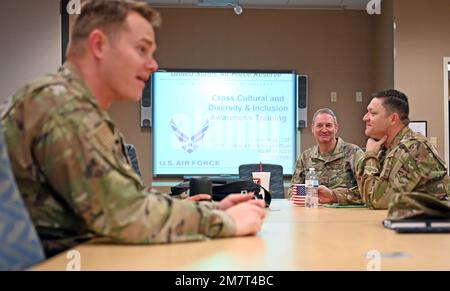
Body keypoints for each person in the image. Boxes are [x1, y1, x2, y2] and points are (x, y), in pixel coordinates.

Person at [1, 0, 266, 257]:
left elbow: (127, 199)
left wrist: (215, 210)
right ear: (99, 45)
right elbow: (126, 215)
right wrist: (224, 222)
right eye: (142, 50)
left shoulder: (76, 106)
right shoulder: (61, 107)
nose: (153, 65)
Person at [356, 89, 450, 209]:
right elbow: (370, 190)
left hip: (435, 223)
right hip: (413, 220)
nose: (365, 118)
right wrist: (335, 195)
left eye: (372, 113)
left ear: (393, 119)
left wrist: (370, 155)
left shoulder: (413, 148)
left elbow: (377, 201)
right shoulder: (388, 148)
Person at [289, 108, 364, 204]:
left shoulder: (353, 153)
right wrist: (308, 195)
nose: (324, 130)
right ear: (312, 128)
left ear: (336, 128)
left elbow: (368, 191)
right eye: (319, 125)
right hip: (313, 213)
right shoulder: (305, 157)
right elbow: (293, 190)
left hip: (346, 215)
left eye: (328, 125)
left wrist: (334, 196)